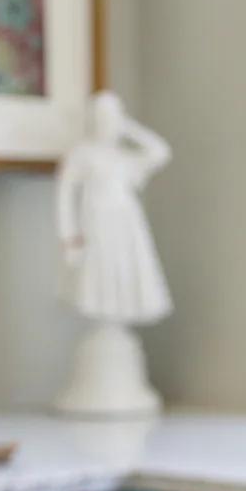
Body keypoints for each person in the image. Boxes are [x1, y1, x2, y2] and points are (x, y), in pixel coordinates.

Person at [56, 90, 172, 324]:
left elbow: (160, 152)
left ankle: (117, 320)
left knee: (127, 276)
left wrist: (129, 127)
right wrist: (69, 235)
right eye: (102, 116)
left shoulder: (122, 156)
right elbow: (65, 195)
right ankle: (106, 320)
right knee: (99, 283)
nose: (106, 122)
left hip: (126, 221)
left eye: (112, 116)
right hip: (96, 221)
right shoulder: (83, 153)